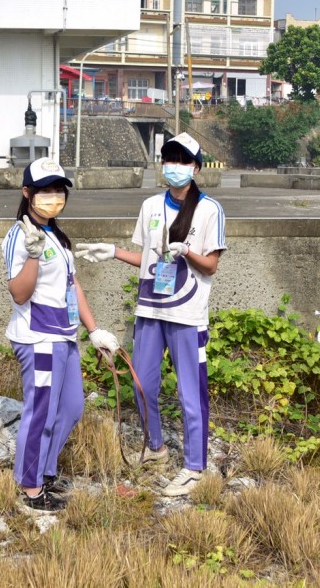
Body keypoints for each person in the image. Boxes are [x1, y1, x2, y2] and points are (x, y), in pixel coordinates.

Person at [76, 132, 226, 497]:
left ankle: (195, 467)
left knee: (192, 392)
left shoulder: (209, 210)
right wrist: (112, 251)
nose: (174, 166)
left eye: (182, 160)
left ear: (196, 167)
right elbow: (146, 258)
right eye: (169, 159)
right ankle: (156, 448)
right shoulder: (150, 206)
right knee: (143, 383)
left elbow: (211, 266)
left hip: (186, 314)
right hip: (150, 308)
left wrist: (187, 252)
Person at [2, 158, 120, 512]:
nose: (53, 196)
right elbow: (19, 293)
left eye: (59, 190)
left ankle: (45, 470)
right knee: (40, 412)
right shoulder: (19, 237)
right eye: (45, 190)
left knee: (71, 407)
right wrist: (34, 256)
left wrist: (94, 330)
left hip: (64, 335)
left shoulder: (56, 234)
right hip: (38, 337)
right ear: (27, 193)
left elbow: (73, 285)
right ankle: (29, 486)